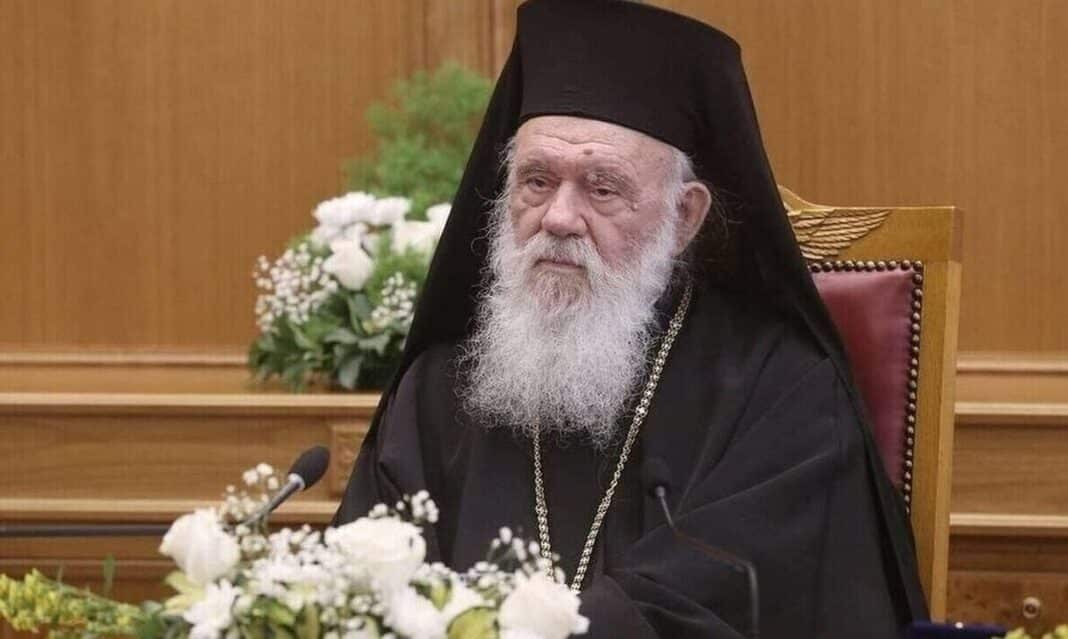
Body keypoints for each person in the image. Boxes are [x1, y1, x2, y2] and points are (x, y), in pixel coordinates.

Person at [335, 1, 928, 636]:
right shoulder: (437, 392)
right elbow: (353, 594)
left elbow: (741, 606)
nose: (560, 218)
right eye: (537, 181)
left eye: (602, 188)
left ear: (685, 217)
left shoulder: (781, 392)